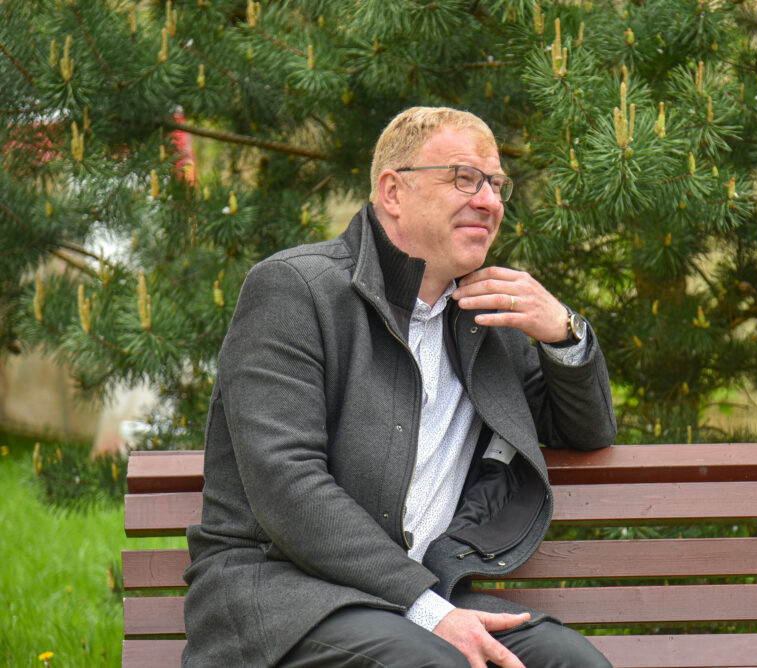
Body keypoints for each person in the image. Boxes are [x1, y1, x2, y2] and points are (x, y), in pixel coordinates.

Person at [182, 106, 617, 668]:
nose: (489, 201)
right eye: (465, 178)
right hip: (283, 595)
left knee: (571, 663)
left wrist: (563, 331)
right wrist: (426, 607)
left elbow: (585, 430)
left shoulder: (491, 321)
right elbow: (288, 484)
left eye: (497, 184)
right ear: (393, 191)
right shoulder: (295, 290)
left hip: (422, 596)